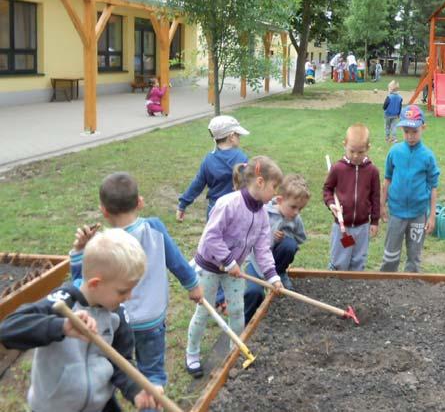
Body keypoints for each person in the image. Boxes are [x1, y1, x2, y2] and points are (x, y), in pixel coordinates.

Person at [70, 173, 203, 405]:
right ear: (140, 202)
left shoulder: (102, 244)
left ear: (104, 211)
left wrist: (79, 253)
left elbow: (82, 284)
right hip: (151, 321)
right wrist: (192, 286)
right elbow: (177, 262)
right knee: (151, 375)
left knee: (114, 368)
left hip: (113, 324)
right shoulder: (155, 228)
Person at [0, 229, 159, 412]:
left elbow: (120, 360)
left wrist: (135, 389)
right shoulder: (62, 303)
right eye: (123, 291)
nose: (129, 297)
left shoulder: (117, 316)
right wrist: (62, 326)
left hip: (101, 406)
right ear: (95, 284)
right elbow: (7, 329)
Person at [185, 155, 284, 378]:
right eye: (274, 187)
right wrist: (228, 262)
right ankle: (192, 354)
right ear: (259, 182)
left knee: (237, 311)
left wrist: (272, 277)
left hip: (234, 270)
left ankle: (234, 354)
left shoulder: (261, 215)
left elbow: (262, 248)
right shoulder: (228, 204)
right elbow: (211, 236)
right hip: (209, 267)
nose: (276, 193)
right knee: (203, 312)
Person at [380, 105, 440, 272]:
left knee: (414, 256)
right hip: (396, 212)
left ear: (423, 128)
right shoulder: (395, 152)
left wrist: (432, 216)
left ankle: (411, 285)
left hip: (418, 214)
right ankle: (386, 282)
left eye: (414, 131)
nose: (410, 136)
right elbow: (387, 179)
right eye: (406, 132)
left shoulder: (428, 156)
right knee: (390, 254)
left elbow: (433, 187)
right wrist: (381, 205)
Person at [243, 173, 310, 318]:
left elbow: (299, 239)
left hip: (276, 260)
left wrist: (287, 238)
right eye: (293, 207)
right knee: (253, 292)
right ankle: (246, 323)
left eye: (300, 209)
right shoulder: (263, 212)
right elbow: (251, 239)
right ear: (280, 200)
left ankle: (279, 274)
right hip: (257, 261)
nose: (296, 212)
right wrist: (271, 236)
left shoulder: (295, 219)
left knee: (289, 245)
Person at [323, 124, 381, 271]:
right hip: (343, 228)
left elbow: (375, 196)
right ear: (345, 145)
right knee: (340, 260)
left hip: (362, 227)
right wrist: (331, 204)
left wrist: (374, 221)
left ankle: (355, 286)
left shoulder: (372, 171)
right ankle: (335, 282)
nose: (355, 156)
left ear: (368, 148)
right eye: (352, 151)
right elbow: (328, 190)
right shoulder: (338, 168)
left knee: (358, 259)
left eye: (360, 152)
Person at [176, 115, 249, 221]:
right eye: (238, 135)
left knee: (213, 237)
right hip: (236, 209)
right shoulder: (241, 158)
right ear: (231, 136)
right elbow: (249, 185)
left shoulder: (208, 160)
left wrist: (183, 204)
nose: (239, 138)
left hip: (214, 209)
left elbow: (197, 184)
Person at [382, 80, 403, 144]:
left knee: (387, 127)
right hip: (395, 115)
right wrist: (399, 114)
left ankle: (387, 138)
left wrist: (384, 108)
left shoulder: (389, 97)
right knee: (394, 127)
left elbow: (385, 105)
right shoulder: (400, 97)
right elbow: (400, 106)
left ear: (391, 89)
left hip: (388, 114)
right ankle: (394, 139)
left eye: (388, 88)